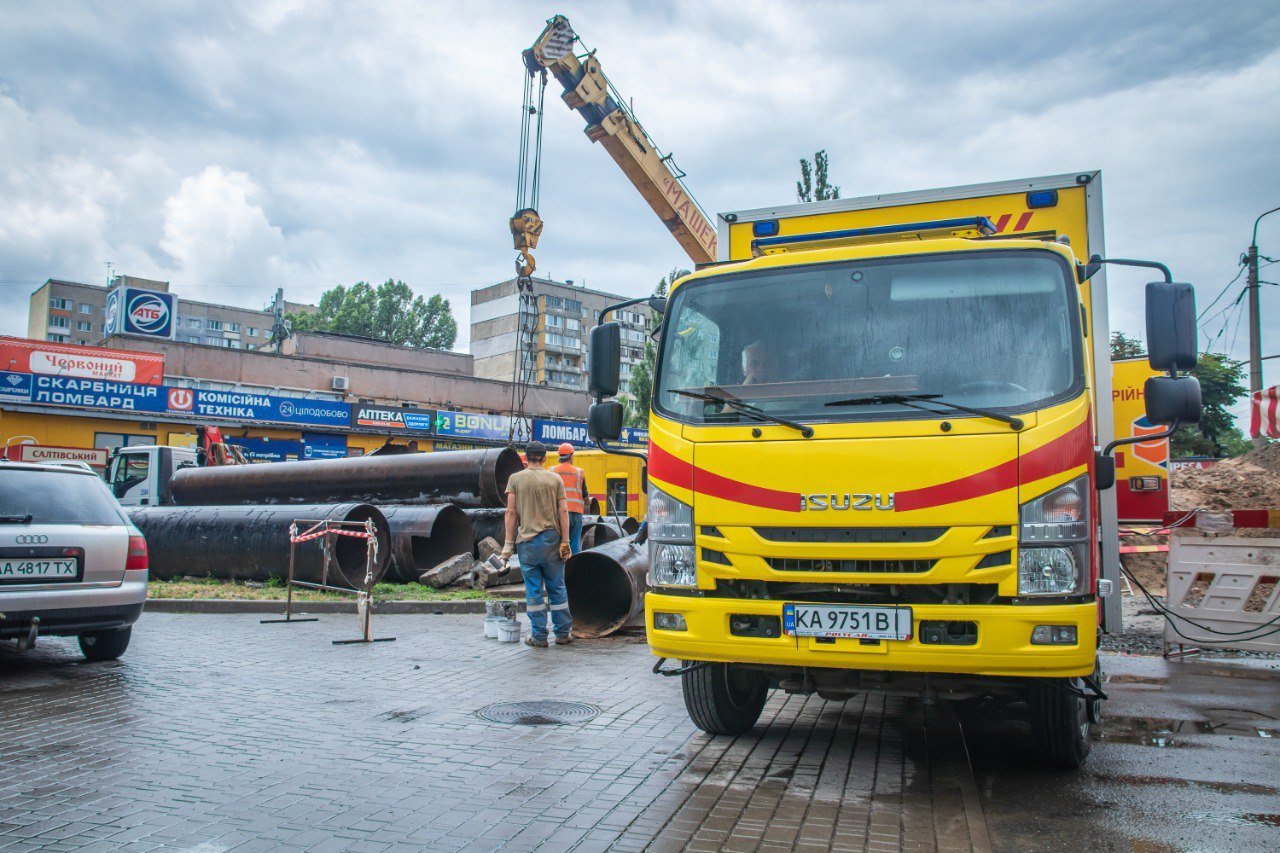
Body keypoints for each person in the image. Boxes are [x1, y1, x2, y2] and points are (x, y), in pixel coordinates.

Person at [501, 441, 574, 647]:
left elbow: (511, 513)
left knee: (533, 590)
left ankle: (539, 636)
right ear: (544, 458)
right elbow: (564, 512)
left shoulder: (515, 479)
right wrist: (566, 541)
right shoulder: (555, 479)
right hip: (552, 540)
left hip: (528, 542)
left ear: (526, 457)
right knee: (557, 587)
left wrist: (507, 546)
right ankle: (562, 634)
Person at [551, 443, 589, 554]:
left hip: (558, 514)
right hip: (576, 513)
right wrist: (587, 504)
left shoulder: (552, 471)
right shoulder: (579, 472)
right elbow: (585, 495)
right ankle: (573, 568)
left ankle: (560, 569)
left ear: (559, 456)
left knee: (558, 544)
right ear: (571, 456)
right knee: (574, 544)